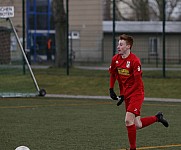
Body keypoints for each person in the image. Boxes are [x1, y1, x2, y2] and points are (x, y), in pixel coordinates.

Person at [109, 34, 169, 150]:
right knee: (137, 125)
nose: (118, 46)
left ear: (128, 46)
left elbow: (137, 83)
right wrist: (111, 89)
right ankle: (158, 117)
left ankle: (133, 148)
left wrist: (124, 95)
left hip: (137, 93)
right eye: (118, 44)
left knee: (127, 120)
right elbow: (113, 74)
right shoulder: (115, 59)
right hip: (127, 94)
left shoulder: (135, 61)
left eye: (121, 44)